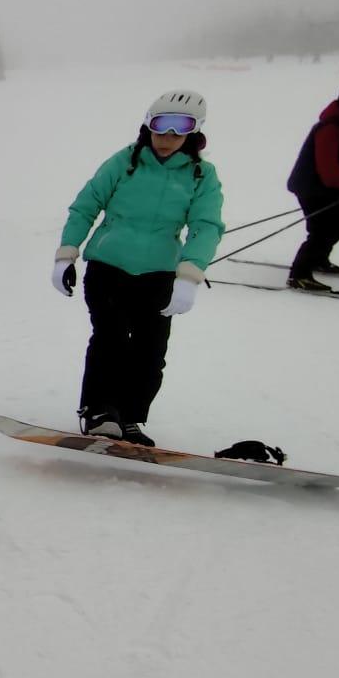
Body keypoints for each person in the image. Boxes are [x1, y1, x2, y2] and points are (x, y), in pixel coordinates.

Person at [54, 90, 224, 447]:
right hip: (108, 268)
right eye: (162, 126)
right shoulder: (124, 162)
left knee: (151, 352)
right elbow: (85, 206)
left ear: (194, 132)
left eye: (180, 128)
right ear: (148, 124)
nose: (169, 137)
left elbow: (206, 226)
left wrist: (189, 276)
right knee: (111, 339)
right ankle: (99, 411)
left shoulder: (201, 175)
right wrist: (66, 255)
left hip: (159, 274)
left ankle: (129, 416)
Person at [286, 85, 339, 292]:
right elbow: (327, 164)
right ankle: (299, 275)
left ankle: (318, 260)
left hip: (326, 187)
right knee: (324, 230)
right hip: (312, 187)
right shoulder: (331, 127)